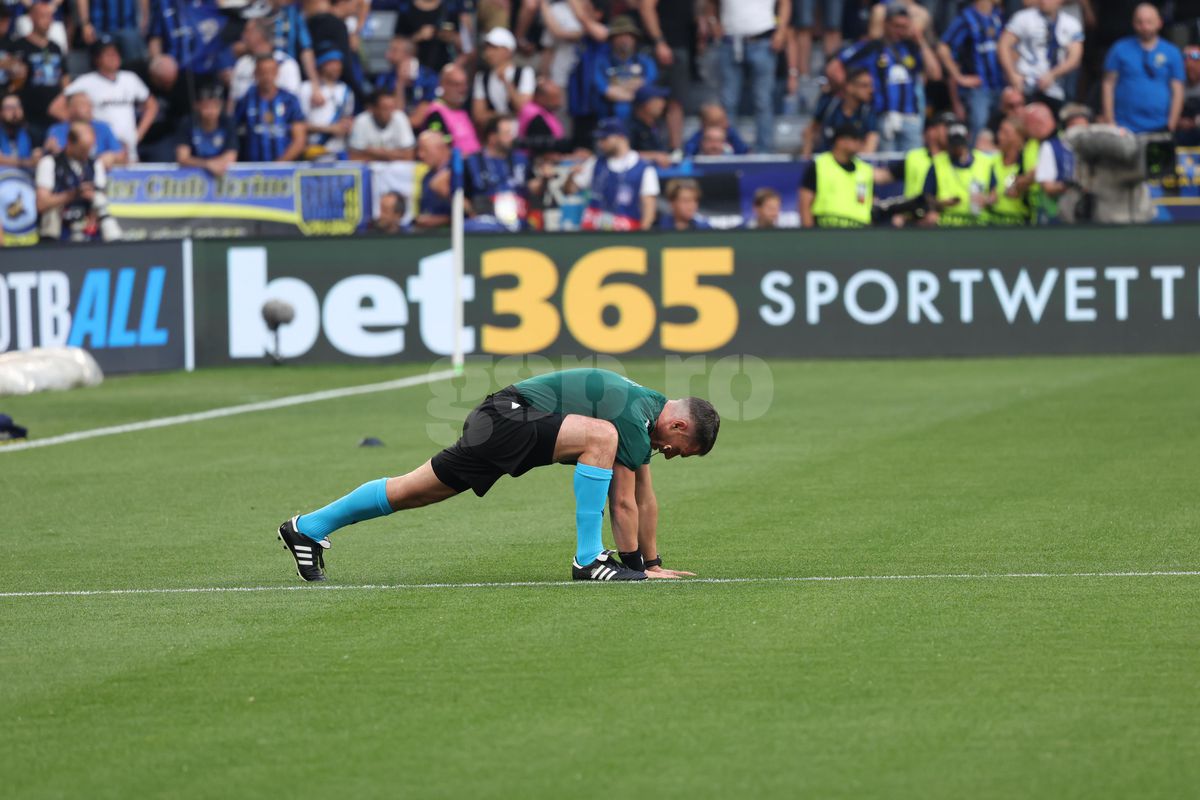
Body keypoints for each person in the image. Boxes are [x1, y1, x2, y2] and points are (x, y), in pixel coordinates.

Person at [275, 367, 718, 582]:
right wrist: (634, 568)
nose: (671, 454)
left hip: (503, 421)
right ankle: (588, 560)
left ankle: (308, 528)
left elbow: (644, 497)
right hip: (509, 417)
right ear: (677, 425)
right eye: (681, 450)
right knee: (599, 436)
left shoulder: (646, 408)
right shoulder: (631, 417)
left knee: (415, 490)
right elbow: (622, 502)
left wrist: (652, 565)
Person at [828, 3, 942, 153]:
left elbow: (935, 74)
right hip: (882, 116)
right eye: (896, 26)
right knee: (887, 164)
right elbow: (834, 67)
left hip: (911, 117)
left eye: (904, 26)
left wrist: (920, 40)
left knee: (913, 165)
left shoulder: (912, 48)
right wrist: (850, 91)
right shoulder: (872, 47)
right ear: (885, 24)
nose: (900, 31)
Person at [709, 0, 789, 152]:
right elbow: (710, 3)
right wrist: (713, 22)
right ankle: (727, 148)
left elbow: (785, 3)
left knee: (763, 101)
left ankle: (764, 151)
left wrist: (781, 30)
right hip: (730, 41)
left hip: (763, 39)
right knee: (728, 102)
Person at [62, 37, 157, 163]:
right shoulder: (86, 81)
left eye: (115, 53)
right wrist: (80, 126)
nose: (113, 57)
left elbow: (152, 105)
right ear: (97, 59)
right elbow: (58, 106)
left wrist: (138, 135)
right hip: (101, 151)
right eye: (107, 54)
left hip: (129, 149)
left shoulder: (130, 78)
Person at [1102, 4, 1185, 134]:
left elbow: (1178, 90)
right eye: (1139, 22)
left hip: (1160, 126)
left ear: (1159, 23)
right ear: (1133, 23)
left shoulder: (1172, 52)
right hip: (1124, 127)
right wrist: (1110, 122)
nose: (1144, 27)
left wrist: (1171, 125)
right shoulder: (1119, 49)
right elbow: (1108, 85)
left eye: (1149, 22)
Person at [566, 116, 660, 231]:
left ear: (620, 137)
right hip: (593, 228)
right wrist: (571, 175)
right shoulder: (595, 162)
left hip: (625, 230)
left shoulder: (643, 168)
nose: (600, 144)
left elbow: (649, 207)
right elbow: (570, 191)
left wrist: (642, 234)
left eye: (605, 138)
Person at [35, 121, 120, 242]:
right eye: (82, 149)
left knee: (100, 201)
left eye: (89, 149)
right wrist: (73, 194)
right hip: (59, 226)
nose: (86, 154)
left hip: (87, 225)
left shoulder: (95, 164)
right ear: (70, 142)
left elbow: (101, 195)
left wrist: (92, 196)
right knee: (51, 212)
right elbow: (41, 204)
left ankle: (114, 243)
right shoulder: (49, 163)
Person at [938, 0, 1007, 144]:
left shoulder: (998, 16)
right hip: (978, 89)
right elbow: (943, 47)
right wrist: (959, 78)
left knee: (1000, 129)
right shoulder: (966, 18)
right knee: (979, 129)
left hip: (1000, 85)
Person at [998, 0, 1083, 112]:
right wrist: (1012, 74)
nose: (1044, 1)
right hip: (1026, 85)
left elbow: (1075, 58)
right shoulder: (1023, 18)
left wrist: (1053, 74)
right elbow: (1003, 45)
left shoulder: (1071, 23)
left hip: (1055, 89)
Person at [638, 0, 699, 150]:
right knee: (653, 102)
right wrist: (659, 41)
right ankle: (648, 147)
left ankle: (675, 150)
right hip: (661, 48)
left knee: (677, 102)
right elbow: (646, 7)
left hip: (683, 48)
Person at [464, 114, 536, 230]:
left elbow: (533, 187)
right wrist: (471, 210)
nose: (512, 138)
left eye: (513, 133)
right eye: (507, 134)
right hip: (485, 221)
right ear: (492, 137)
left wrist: (545, 179)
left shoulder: (522, 160)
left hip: (520, 220)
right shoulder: (471, 161)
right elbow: (454, 191)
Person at [233, 55, 307, 162]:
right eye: (263, 72)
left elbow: (299, 140)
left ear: (277, 72)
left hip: (285, 170)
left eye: (271, 71)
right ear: (255, 74)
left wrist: (278, 166)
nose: (267, 76)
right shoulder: (246, 100)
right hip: (252, 172)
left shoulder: (290, 100)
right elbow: (234, 131)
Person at [798, 123, 873, 227]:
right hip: (825, 233)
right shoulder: (820, 165)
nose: (860, 144)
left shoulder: (865, 170)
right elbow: (804, 204)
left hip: (858, 234)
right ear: (841, 141)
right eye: (855, 139)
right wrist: (810, 236)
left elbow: (869, 203)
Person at [11, 1, 66, 143]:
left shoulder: (56, 47)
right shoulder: (19, 46)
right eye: (43, 16)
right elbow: (14, 83)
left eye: (50, 16)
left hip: (56, 116)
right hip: (31, 116)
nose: (48, 20)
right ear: (32, 17)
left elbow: (64, 77)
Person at [922, 120, 994, 225]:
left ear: (967, 139)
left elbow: (994, 193)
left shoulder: (984, 162)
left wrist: (986, 200)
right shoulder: (938, 163)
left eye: (960, 145)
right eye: (954, 145)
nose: (957, 149)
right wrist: (941, 203)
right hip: (948, 223)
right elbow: (926, 197)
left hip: (978, 224)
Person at [594, 15, 657, 123]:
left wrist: (620, 88)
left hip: (639, 117)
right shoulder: (601, 61)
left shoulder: (644, 61)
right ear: (612, 39)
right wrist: (631, 89)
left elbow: (648, 84)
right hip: (609, 118)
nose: (625, 40)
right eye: (620, 36)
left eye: (629, 35)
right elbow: (604, 89)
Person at [803, 66, 878, 157]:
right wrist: (806, 159)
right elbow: (810, 131)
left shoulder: (867, 112)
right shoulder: (830, 105)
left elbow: (871, 142)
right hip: (826, 162)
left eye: (871, 85)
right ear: (849, 87)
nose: (871, 90)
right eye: (864, 86)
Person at [148, 0, 229, 79]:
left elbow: (223, 28)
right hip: (174, 70)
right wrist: (159, 62)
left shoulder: (209, 3)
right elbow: (155, 37)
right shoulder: (163, 3)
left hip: (207, 69)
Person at [471, 27, 535, 128]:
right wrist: (509, 116)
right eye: (487, 48)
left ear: (508, 51)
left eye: (494, 48)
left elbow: (524, 109)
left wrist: (507, 83)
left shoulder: (525, 73)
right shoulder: (482, 77)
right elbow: (479, 116)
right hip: (493, 135)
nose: (488, 53)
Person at [230, 19, 302, 107]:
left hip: (280, 118)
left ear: (259, 35)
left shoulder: (286, 64)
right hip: (245, 117)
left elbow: (292, 102)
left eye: (247, 31)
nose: (243, 35)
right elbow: (232, 101)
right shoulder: (242, 63)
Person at [412, 63, 480, 155]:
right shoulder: (435, 113)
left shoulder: (463, 110)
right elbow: (440, 150)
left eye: (464, 84)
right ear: (443, 84)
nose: (462, 89)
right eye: (456, 84)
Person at [43, 91, 125, 167]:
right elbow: (52, 153)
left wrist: (112, 157)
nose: (89, 108)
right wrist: (50, 151)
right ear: (70, 108)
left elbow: (121, 156)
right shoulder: (57, 130)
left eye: (90, 104)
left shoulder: (103, 128)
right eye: (83, 104)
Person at [299, 49, 355, 157]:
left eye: (339, 63)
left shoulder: (346, 90)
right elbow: (300, 125)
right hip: (312, 151)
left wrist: (347, 126)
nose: (337, 67)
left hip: (338, 152)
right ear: (322, 64)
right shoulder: (306, 88)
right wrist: (330, 128)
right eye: (332, 63)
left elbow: (347, 119)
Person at [175, 83, 238, 177]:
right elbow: (182, 157)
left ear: (221, 106)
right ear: (197, 106)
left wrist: (217, 164)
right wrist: (207, 164)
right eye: (206, 106)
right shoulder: (188, 124)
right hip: (192, 179)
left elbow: (231, 155)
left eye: (215, 106)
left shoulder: (227, 123)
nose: (211, 111)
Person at [986, 114, 1035, 224]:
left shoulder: (1026, 163)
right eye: (1000, 131)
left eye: (1006, 133)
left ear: (1019, 137)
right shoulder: (991, 162)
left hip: (1019, 225)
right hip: (992, 224)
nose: (1000, 136)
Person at [347, 89, 415, 161]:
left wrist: (374, 152)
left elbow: (409, 156)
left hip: (397, 170)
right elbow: (354, 157)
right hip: (369, 169)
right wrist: (395, 154)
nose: (390, 112)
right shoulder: (361, 121)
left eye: (392, 107)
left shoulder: (400, 117)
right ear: (373, 109)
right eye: (385, 108)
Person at [76, 0, 146, 64]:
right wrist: (85, 24)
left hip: (129, 26)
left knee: (134, 65)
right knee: (101, 65)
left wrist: (145, 19)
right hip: (99, 26)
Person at [903, 111, 953, 199]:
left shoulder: (955, 159)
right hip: (913, 209)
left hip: (943, 210)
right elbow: (884, 175)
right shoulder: (914, 157)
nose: (950, 132)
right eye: (946, 127)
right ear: (932, 131)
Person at [682, 101, 750, 156]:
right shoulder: (700, 135)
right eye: (723, 121)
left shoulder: (730, 132)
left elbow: (742, 149)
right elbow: (689, 150)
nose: (727, 123)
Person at [414, 129, 451, 228]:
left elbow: (469, 213)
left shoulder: (457, 172)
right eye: (419, 150)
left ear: (440, 148)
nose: (420, 155)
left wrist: (440, 220)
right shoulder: (426, 177)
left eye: (424, 149)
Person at [628, 83, 671, 166]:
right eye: (658, 99)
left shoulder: (657, 125)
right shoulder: (630, 127)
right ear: (646, 103)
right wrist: (653, 156)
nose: (662, 103)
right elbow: (624, 155)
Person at [0, 93, 40, 170]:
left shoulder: (32, 132)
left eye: (18, 107)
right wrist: (27, 162)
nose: (15, 112)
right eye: (9, 108)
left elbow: (37, 159)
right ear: (1, 112)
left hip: (26, 178)